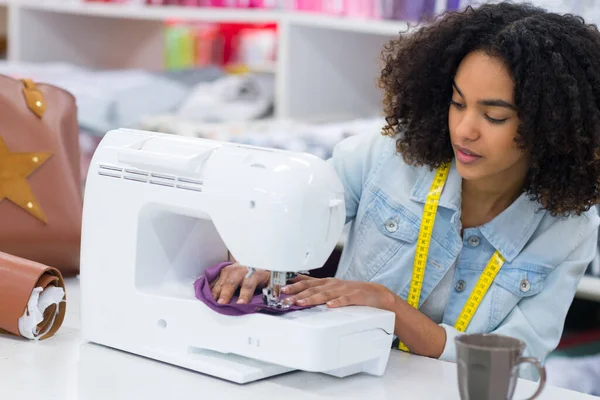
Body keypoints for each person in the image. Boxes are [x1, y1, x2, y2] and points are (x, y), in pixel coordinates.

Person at [209, 2, 600, 380]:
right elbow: (295, 214)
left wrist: (392, 307)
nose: (464, 129)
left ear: (550, 124)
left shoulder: (569, 231)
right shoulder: (386, 156)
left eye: (494, 116)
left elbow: (514, 357)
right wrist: (260, 255)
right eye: (457, 102)